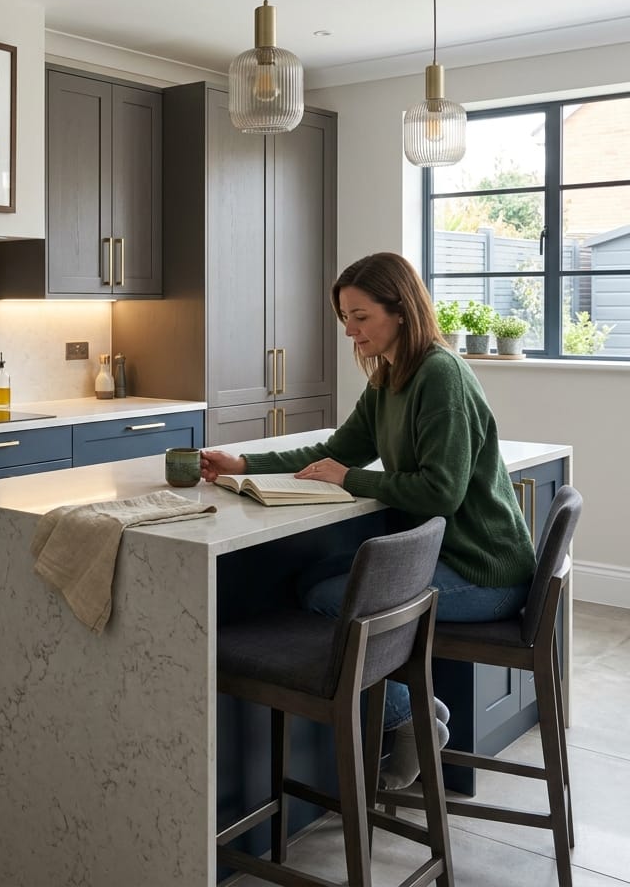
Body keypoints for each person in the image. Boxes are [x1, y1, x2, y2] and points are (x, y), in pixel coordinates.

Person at [201, 252, 535, 789]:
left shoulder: (440, 377)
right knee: (309, 581)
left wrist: (348, 479)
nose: (351, 331)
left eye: (361, 316)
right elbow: (337, 451)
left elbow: (441, 493)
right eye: (344, 318)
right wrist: (241, 464)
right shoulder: (390, 378)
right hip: (448, 558)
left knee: (332, 600)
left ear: (400, 311)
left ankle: (409, 718)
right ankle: (421, 711)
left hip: (485, 573)